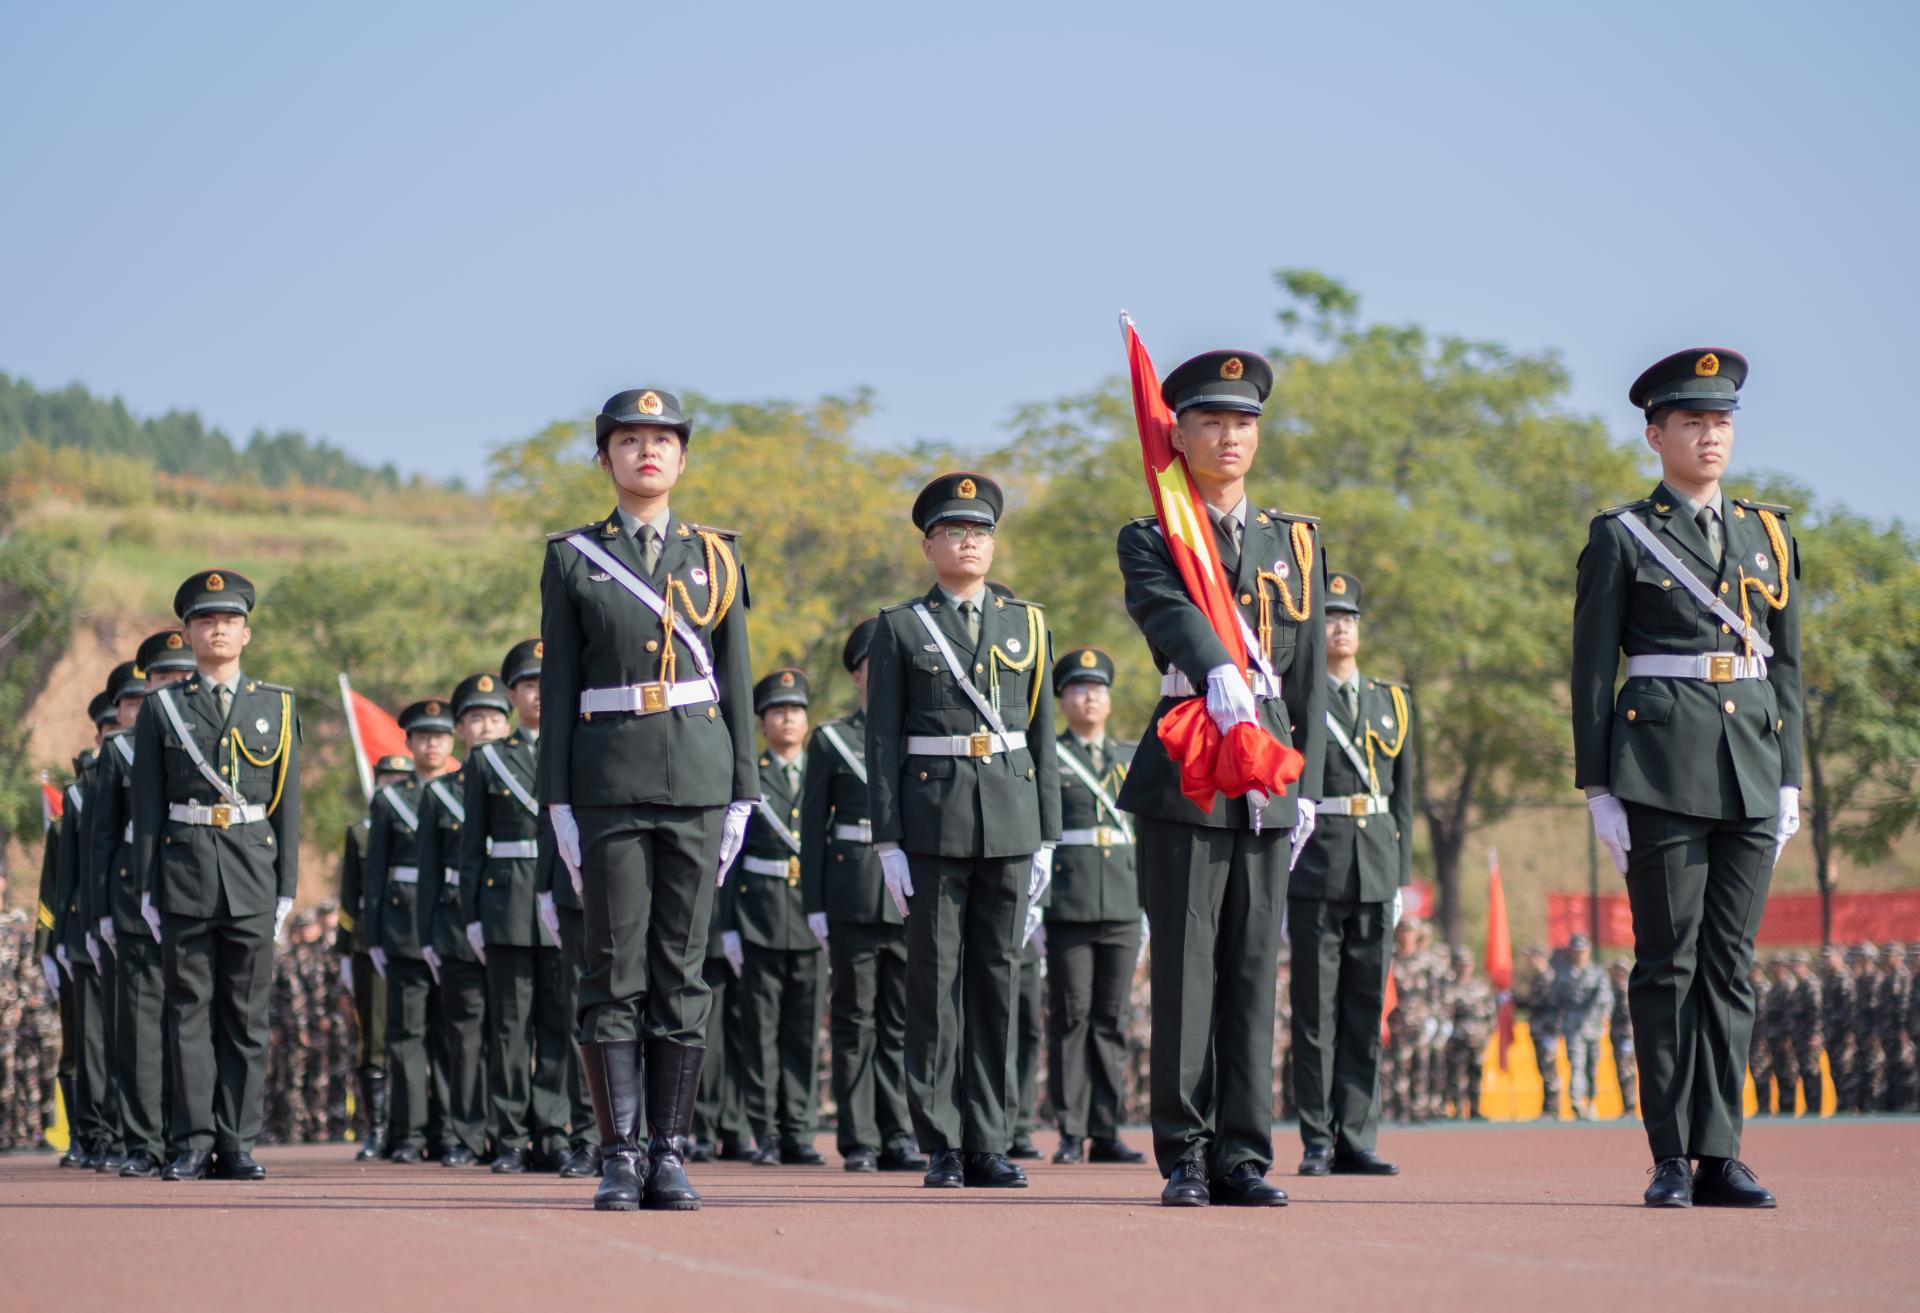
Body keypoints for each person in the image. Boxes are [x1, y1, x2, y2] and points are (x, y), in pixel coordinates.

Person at [1573, 347, 1802, 1208]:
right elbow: (1591, 671)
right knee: (1668, 962)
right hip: (1659, 767)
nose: (1712, 435)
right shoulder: (1623, 535)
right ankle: (1671, 1153)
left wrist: (1790, 778)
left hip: (1752, 765)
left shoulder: (1768, 534)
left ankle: (1721, 1152)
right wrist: (1598, 787)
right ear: (1655, 435)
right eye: (1693, 421)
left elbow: (1787, 666)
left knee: (1730, 966)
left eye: (1722, 421)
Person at [1114, 350, 1328, 1207]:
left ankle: (1244, 1152)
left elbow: (1308, 668)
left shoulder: (1295, 541)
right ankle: (1187, 1152)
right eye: (1210, 421)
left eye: (1243, 422)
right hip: (1190, 761)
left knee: (1252, 967)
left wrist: (1309, 781)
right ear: (1180, 435)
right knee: (1186, 967)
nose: (1229, 436)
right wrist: (1216, 666)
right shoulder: (1153, 533)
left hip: (1268, 766)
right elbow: (1165, 610)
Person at [538, 387, 756, 1212]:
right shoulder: (573, 557)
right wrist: (557, 800)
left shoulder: (718, 556)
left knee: (682, 967)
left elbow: (736, 679)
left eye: (662, 439)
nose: (648, 451)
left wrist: (744, 792)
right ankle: (619, 1153)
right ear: (606, 459)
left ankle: (669, 1149)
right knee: (612, 966)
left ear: (683, 457)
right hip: (608, 781)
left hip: (698, 775)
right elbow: (560, 687)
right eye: (629, 440)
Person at [866, 472, 1061, 1190]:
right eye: (953, 531)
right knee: (935, 982)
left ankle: (989, 1138)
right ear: (929, 546)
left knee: (997, 983)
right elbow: (881, 742)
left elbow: (1042, 736)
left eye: (979, 531)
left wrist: (1049, 835)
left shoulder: (1028, 624)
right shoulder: (900, 627)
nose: (968, 542)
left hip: (1010, 817)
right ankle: (941, 1140)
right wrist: (887, 839)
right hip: (932, 820)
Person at [130, 569, 300, 1181]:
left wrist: (287, 887)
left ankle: (237, 1143)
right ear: (188, 633)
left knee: (247, 1016)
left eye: (229, 620)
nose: (218, 629)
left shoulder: (276, 704)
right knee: (188, 1013)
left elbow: (288, 805)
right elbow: (147, 806)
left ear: (246, 633)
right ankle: (192, 1141)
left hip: (253, 873)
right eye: (205, 620)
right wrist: (147, 886)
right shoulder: (163, 709)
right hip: (184, 872)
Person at [1288, 569, 1410, 1176]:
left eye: (1350, 618)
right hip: (1316, 869)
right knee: (1316, 1014)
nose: (1341, 627)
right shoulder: (1299, 699)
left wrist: (1401, 878)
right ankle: (1317, 1137)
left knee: (1366, 1011)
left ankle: (1357, 1137)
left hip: (1376, 870)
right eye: (1331, 618)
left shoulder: (1393, 702)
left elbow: (1403, 799)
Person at [800, 618, 922, 1174]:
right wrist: (815, 903)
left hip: (907, 895)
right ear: (857, 675)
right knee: (854, 1022)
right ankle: (859, 1140)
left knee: (901, 1022)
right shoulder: (832, 740)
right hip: (851, 895)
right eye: (876, 666)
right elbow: (813, 831)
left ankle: (899, 1133)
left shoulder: (919, 732)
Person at [461, 640, 573, 1174]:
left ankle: (552, 1131)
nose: (539, 694)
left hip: (561, 896)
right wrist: (472, 916)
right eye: (530, 685)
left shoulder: (573, 745)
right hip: (505, 902)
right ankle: (509, 1135)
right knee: (508, 1027)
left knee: (559, 1021)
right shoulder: (487, 759)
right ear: (512, 695)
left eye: (547, 683)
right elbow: (471, 848)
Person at [91, 632, 197, 1177]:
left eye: (182, 677)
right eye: (161, 679)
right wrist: (101, 913)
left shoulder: (208, 738)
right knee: (140, 1028)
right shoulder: (120, 750)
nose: (172, 685)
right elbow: (102, 837)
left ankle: (191, 1139)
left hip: (197, 891)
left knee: (192, 1024)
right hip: (134, 898)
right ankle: (144, 1143)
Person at [1042, 646, 1145, 1167]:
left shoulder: (1130, 758)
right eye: (1079, 689)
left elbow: (1145, 835)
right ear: (1062, 700)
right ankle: (1070, 1129)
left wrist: (1148, 906)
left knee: (1112, 1017)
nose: (1090, 698)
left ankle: (1106, 1129)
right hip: (1069, 905)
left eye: (1098, 689)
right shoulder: (1050, 758)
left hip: (1124, 903)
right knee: (1071, 1016)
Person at [734, 668, 827, 1166]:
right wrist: (727, 927)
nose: (788, 718)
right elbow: (729, 856)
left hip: (810, 918)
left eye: (795, 710)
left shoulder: (820, 771)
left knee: (803, 1033)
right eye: (777, 711)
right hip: (760, 917)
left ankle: (799, 1131)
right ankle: (766, 1131)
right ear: (762, 722)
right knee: (761, 1033)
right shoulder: (749, 773)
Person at [363, 700, 456, 1163]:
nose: (431, 745)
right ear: (410, 743)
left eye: (439, 737)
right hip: (402, 929)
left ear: (451, 742)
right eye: (423, 737)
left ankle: (450, 1131)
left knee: (451, 1033)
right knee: (406, 1035)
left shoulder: (464, 792)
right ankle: (410, 1133)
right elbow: (374, 874)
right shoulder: (390, 799)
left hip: (450, 923)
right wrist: (374, 937)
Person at [420, 673, 505, 1167]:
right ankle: (468, 1134)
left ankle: (512, 1131)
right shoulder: (440, 792)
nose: (486, 727)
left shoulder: (531, 776)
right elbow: (429, 873)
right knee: (466, 1035)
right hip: (456, 923)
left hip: (514, 917)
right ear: (460, 730)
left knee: (513, 1032)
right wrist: (428, 934)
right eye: (475, 718)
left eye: (494, 718)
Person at [50, 696, 118, 1169]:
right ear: (97, 736)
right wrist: (55, 941)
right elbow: (63, 879)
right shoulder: (80, 793)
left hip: (140, 917)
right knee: (91, 1038)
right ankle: (94, 1133)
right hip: (88, 928)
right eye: (109, 727)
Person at [337, 752, 414, 1159]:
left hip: (415, 937)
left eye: (400, 779)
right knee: (376, 1037)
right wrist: (345, 950)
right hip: (370, 943)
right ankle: (378, 1129)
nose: (392, 785)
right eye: (386, 779)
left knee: (415, 1036)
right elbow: (349, 896)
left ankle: (413, 1129)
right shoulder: (360, 833)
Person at [1553, 935, 1612, 1119]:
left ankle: (1592, 1100)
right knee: (1576, 1063)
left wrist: (1605, 1016)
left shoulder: (1598, 973)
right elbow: (1555, 1000)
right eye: (1577, 951)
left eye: (1583, 951)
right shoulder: (1562, 973)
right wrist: (1557, 1023)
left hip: (1593, 1025)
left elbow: (1606, 998)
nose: (1580, 955)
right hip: (1572, 1026)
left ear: (1588, 951)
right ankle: (1577, 1100)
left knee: (1592, 1066)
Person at [1445, 947, 1495, 1120]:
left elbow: (1491, 1013)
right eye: (1461, 965)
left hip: (1478, 1039)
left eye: (1467, 965)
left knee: (1477, 1073)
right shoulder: (1449, 989)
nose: (1465, 968)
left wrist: (1488, 1034)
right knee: (1457, 1075)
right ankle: (1458, 1110)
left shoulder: (1481, 987)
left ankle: (1476, 1108)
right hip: (1458, 1039)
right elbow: (1445, 1014)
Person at [1522, 945, 1562, 1119]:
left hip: (1547, 1031)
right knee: (1543, 1068)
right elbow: (1532, 1004)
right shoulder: (1537, 979)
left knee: (1549, 1070)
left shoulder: (1551, 978)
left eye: (1533, 957)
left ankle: (1552, 1108)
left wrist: (1553, 1031)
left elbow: (1555, 1006)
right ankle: (1547, 1107)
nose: (1531, 961)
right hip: (1538, 1030)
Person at [1608, 958, 1637, 1118]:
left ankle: (1630, 1107)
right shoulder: (1616, 990)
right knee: (1623, 1071)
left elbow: (1626, 1015)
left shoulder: (1624, 990)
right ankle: (1628, 1107)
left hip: (1625, 1037)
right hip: (1619, 1037)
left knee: (1626, 1072)